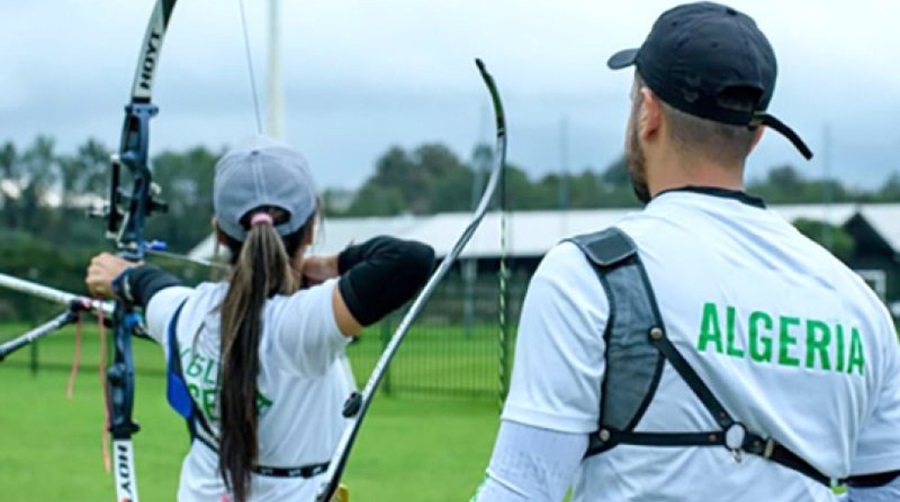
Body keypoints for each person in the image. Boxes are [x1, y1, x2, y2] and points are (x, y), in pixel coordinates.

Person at [472, 2, 900, 501]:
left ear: (648, 112)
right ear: (757, 134)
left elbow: (520, 489)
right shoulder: (858, 304)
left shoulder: (588, 275)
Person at [85, 136, 435, 502]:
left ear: (220, 233)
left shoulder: (186, 314)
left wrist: (123, 277)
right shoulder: (303, 324)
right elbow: (411, 260)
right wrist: (331, 265)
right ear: (311, 228)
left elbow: (151, 286)